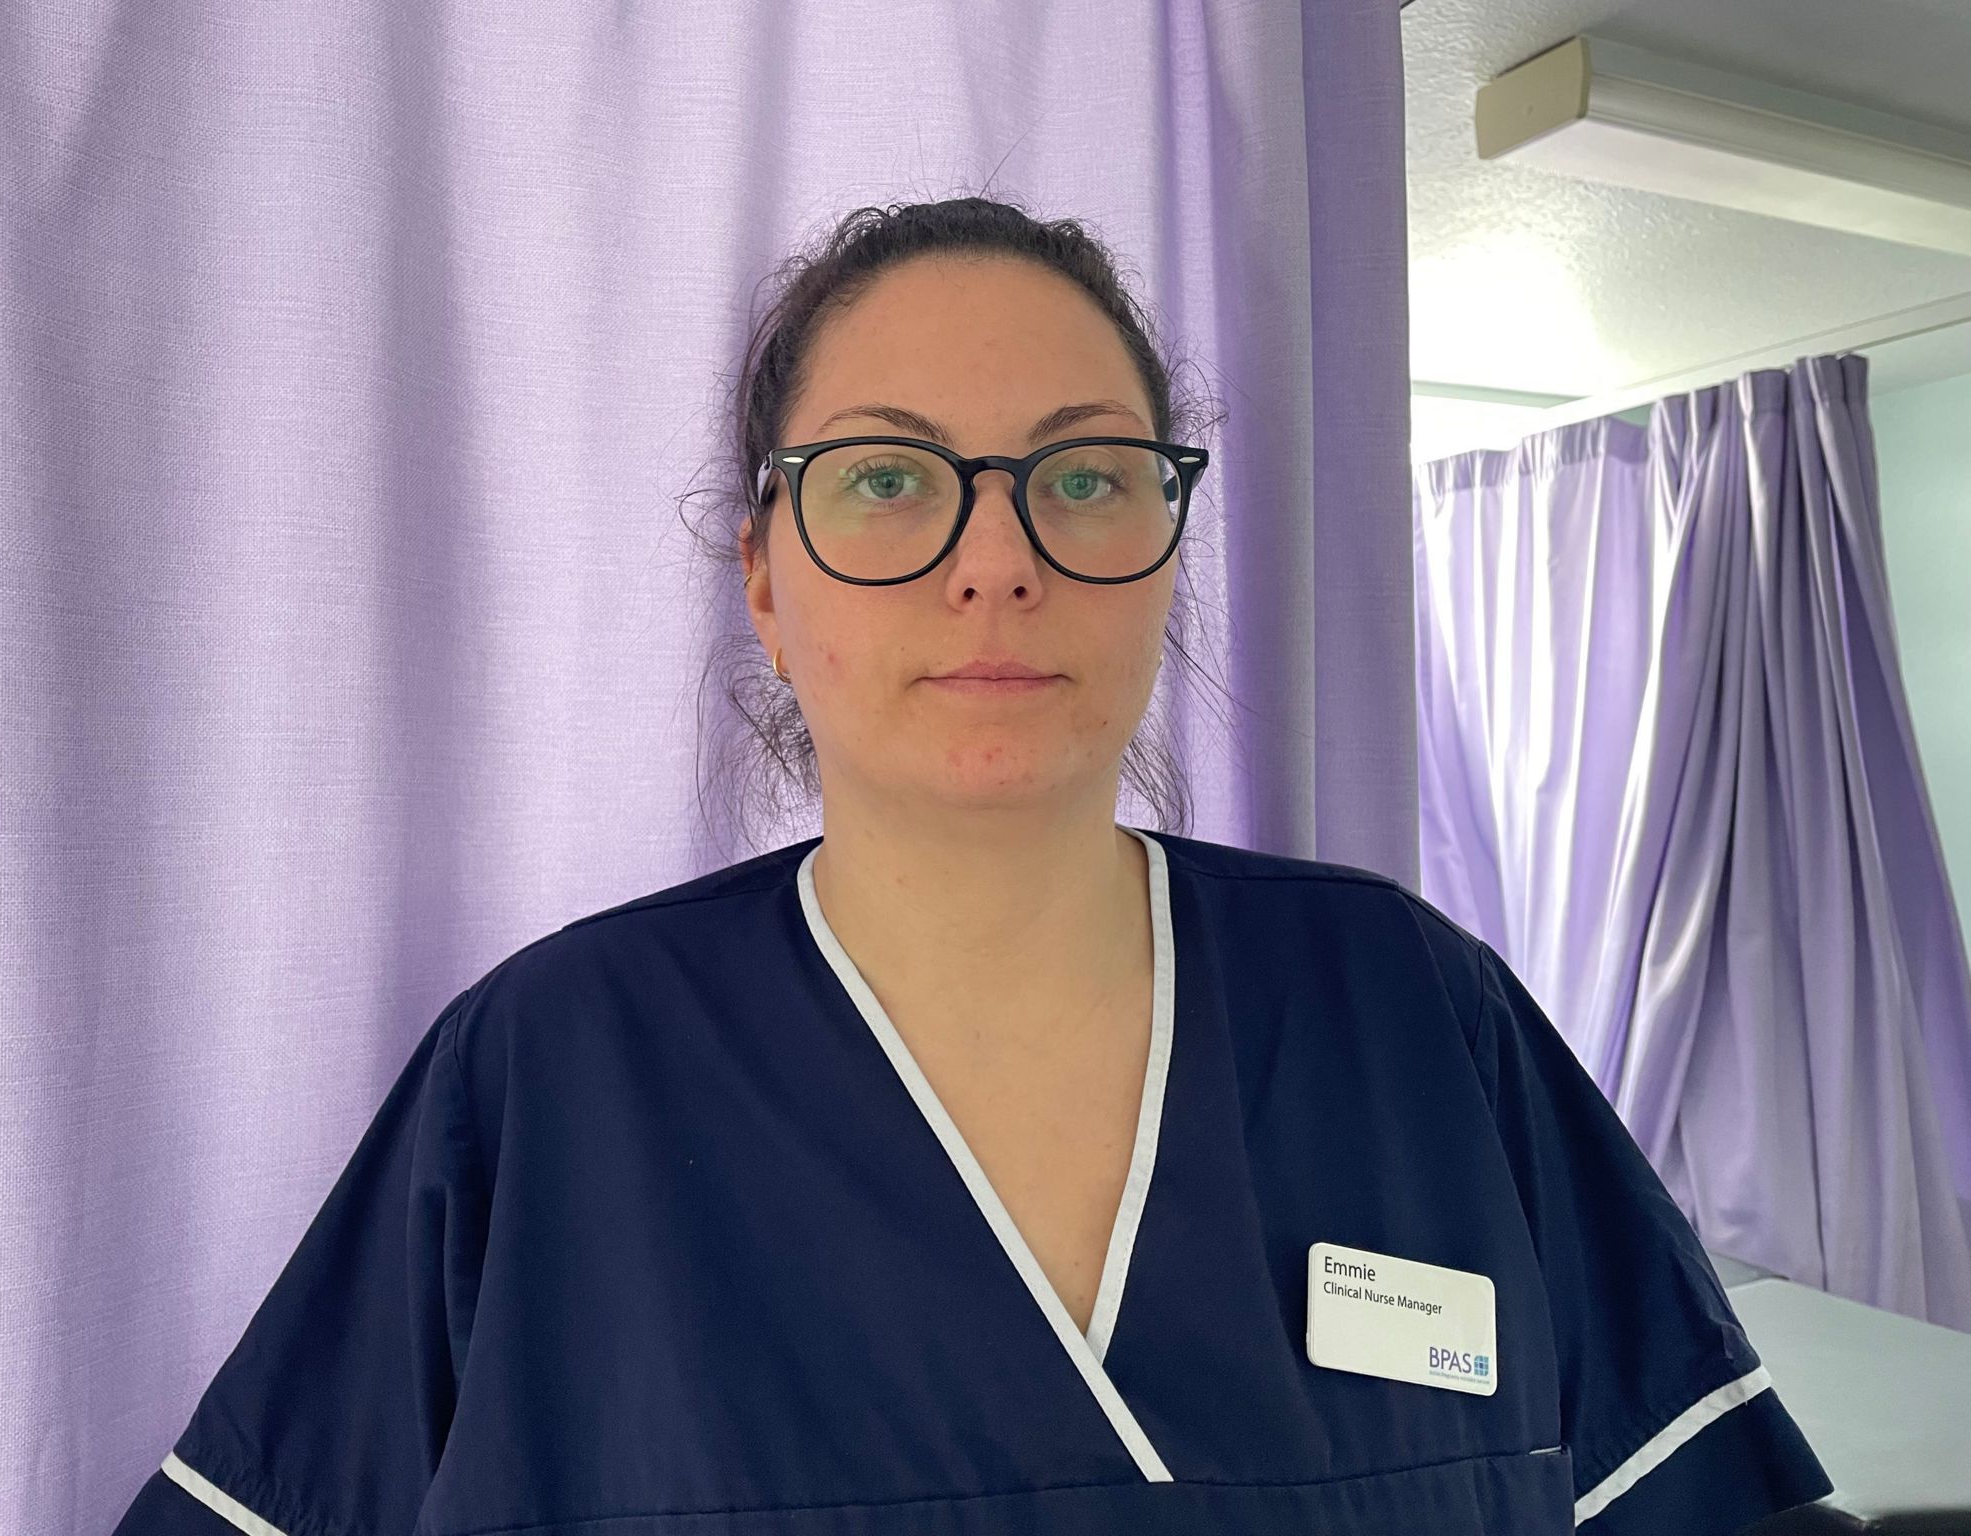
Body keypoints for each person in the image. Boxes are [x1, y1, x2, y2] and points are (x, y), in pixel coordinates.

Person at [111, 197, 1834, 1536]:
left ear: (1166, 551)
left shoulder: (1414, 1011)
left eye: (1084, 476)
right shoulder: (548, 1072)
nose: (997, 562)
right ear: (767, 584)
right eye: (887, 479)